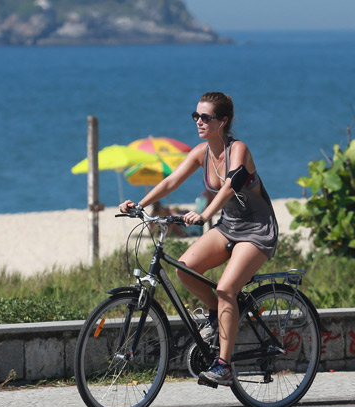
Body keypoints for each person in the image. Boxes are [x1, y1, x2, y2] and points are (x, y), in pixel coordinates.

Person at [119, 92, 279, 387]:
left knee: (226, 288)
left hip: (256, 229)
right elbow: (170, 181)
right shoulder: (200, 152)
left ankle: (224, 366)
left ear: (223, 121)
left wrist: (204, 214)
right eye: (196, 116)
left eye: (206, 117)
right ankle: (219, 317)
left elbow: (231, 185)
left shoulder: (238, 149)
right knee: (184, 268)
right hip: (229, 225)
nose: (199, 122)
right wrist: (140, 204)